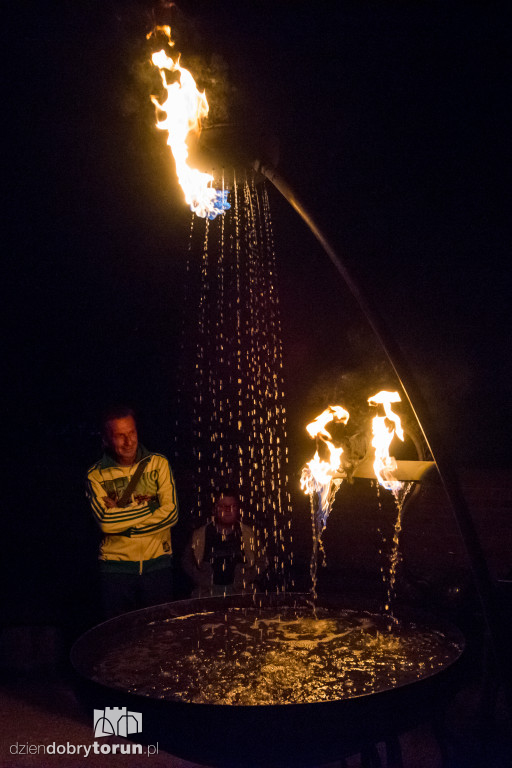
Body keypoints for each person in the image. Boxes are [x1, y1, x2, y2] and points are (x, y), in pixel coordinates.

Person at [86, 406, 178, 618]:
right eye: (120, 436)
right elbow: (106, 522)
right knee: (119, 639)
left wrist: (124, 523)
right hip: (115, 571)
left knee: (160, 634)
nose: (128, 442)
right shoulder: (96, 476)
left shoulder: (158, 464)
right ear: (107, 439)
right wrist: (153, 506)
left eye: (132, 433)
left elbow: (171, 513)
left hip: (158, 567)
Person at [182, 489, 267, 597]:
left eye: (232, 506)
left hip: (242, 594)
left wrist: (245, 579)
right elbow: (186, 561)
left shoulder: (249, 533)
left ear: (238, 510)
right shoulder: (200, 534)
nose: (228, 510)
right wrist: (202, 580)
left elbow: (263, 560)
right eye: (223, 506)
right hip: (207, 595)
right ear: (214, 509)